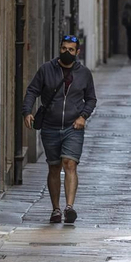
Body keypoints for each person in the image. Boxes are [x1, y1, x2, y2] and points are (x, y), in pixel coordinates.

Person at [22, 34, 97, 225]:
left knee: (70, 164)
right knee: (54, 167)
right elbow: (32, 90)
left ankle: (69, 207)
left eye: (71, 50)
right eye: (64, 48)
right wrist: (27, 111)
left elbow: (91, 99)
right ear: (60, 48)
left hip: (73, 126)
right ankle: (55, 208)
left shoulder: (84, 73)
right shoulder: (46, 69)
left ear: (77, 52)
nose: (67, 52)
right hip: (50, 126)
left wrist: (83, 116)